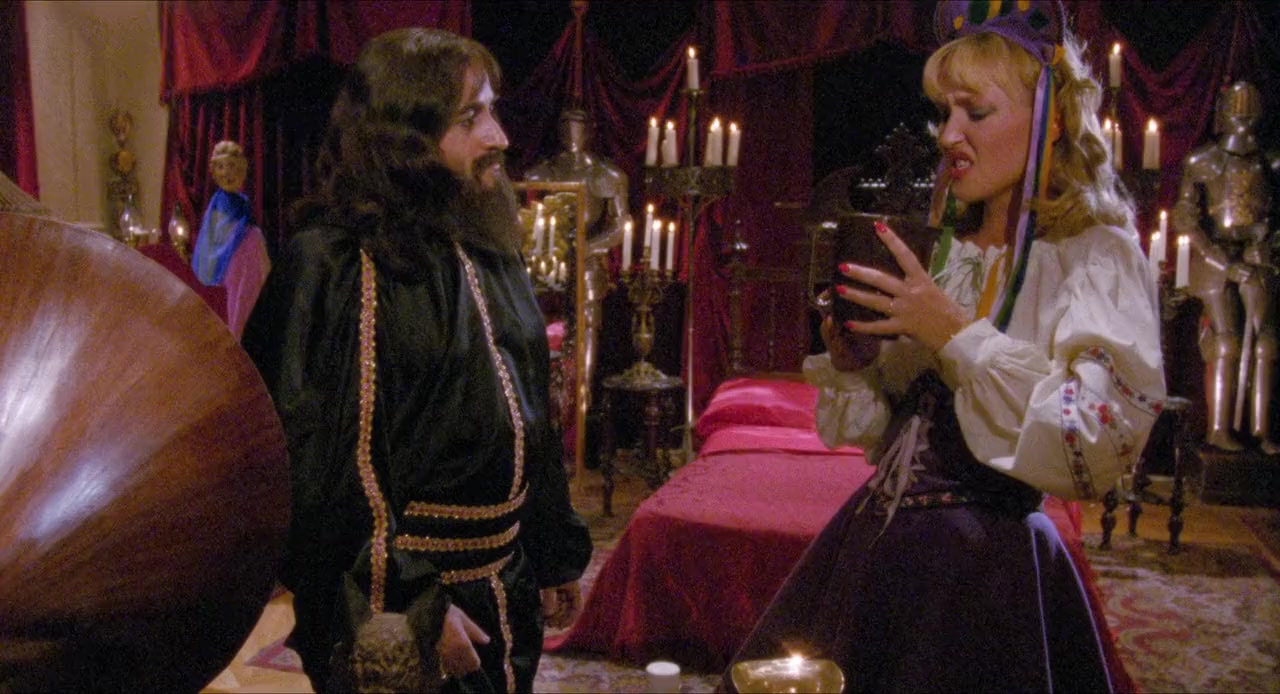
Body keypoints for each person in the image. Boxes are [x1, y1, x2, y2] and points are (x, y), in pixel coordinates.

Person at [725, 2, 1165, 691]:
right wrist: (857, 366)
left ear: (1049, 121)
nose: (949, 134)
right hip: (879, 555)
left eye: (976, 112)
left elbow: (1095, 437)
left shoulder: (1092, 257)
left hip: (984, 578)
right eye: (944, 112)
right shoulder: (951, 247)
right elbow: (899, 428)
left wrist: (956, 337)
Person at [241, 27, 592, 692]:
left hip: (505, 585)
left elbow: (528, 416)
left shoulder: (487, 247)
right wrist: (410, 605)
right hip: (405, 610)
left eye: (492, 111)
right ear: (405, 133)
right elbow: (318, 468)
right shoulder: (336, 263)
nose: (499, 136)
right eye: (470, 117)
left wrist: (552, 550)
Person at [1171, 80, 1279, 454]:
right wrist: (1224, 262)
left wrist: (1268, 244)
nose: (1243, 118)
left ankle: (1262, 430)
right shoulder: (1202, 161)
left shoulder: (1271, 162)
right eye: (1238, 110)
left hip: (1258, 255)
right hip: (1215, 256)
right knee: (1225, 342)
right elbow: (1186, 220)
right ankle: (1218, 429)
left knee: (1266, 343)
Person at [525, 108, 632, 419]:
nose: (572, 132)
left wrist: (585, 248)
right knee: (544, 339)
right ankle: (549, 417)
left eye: (578, 125)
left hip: (587, 268)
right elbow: (530, 221)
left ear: (589, 130)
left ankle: (578, 418)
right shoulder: (541, 173)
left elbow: (619, 225)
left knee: (585, 340)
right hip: (547, 266)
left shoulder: (607, 175)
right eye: (566, 125)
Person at [191, 140, 271, 339]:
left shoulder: (244, 209)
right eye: (221, 167)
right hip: (220, 275)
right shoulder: (215, 208)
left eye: (232, 166)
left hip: (241, 271)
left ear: (242, 170)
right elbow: (208, 246)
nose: (227, 173)